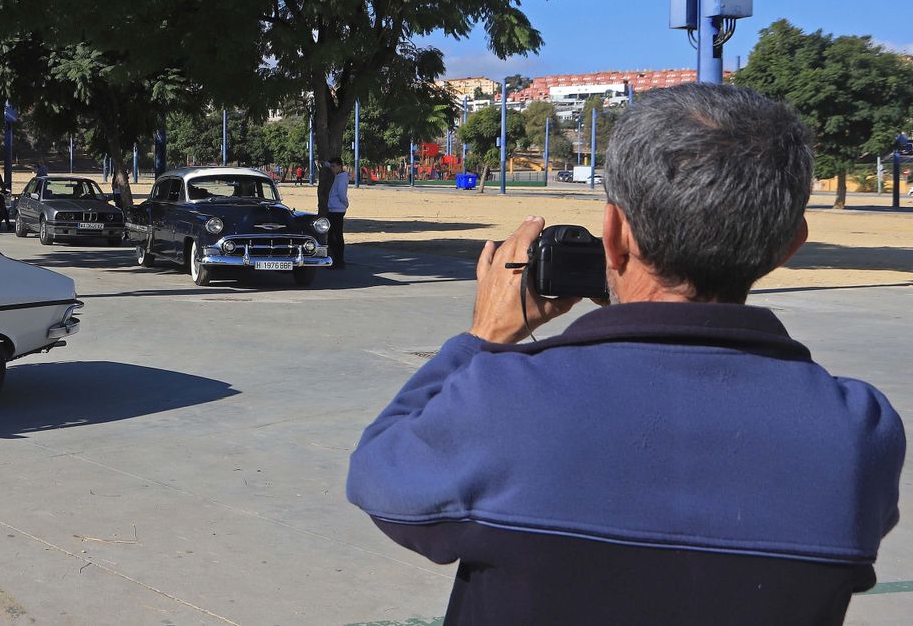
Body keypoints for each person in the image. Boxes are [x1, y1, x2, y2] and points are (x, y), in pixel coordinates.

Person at [346, 83, 904, 625]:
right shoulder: (860, 430)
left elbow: (381, 479)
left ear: (614, 232)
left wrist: (483, 337)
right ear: (789, 246)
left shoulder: (506, 399)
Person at [324, 157, 348, 269]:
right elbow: (328, 165)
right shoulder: (338, 176)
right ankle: (337, 259)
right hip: (333, 209)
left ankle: (339, 260)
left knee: (336, 235)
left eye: (334, 166)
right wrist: (326, 163)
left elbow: (342, 194)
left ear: (340, 166)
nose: (332, 169)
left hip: (337, 210)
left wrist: (345, 204)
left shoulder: (342, 178)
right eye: (332, 167)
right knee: (332, 235)